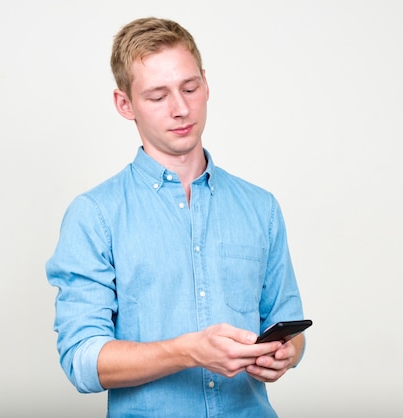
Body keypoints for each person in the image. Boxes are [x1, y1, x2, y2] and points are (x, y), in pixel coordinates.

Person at [46, 17, 307, 417]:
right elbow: (82, 360)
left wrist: (284, 354)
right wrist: (187, 352)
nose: (181, 108)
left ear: (205, 83)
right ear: (125, 104)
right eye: (157, 96)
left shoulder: (261, 207)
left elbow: (287, 324)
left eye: (189, 88)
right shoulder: (95, 215)